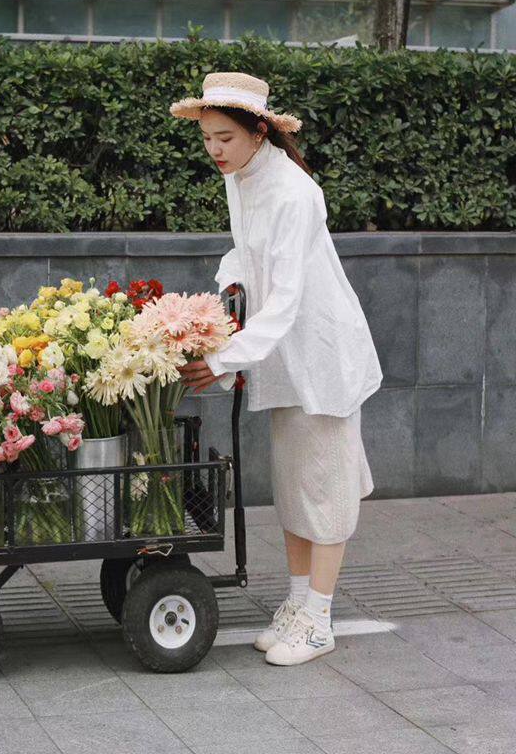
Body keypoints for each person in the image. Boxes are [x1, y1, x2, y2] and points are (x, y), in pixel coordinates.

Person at [170, 72, 383, 666]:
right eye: (207, 137)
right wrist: (219, 307)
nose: (214, 150)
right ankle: (296, 604)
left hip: (321, 354)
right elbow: (243, 253)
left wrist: (222, 358)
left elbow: (287, 300)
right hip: (280, 354)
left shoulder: (294, 192)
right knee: (293, 485)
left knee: (327, 489)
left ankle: (319, 618)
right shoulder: (241, 178)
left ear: (258, 132)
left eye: (225, 138)